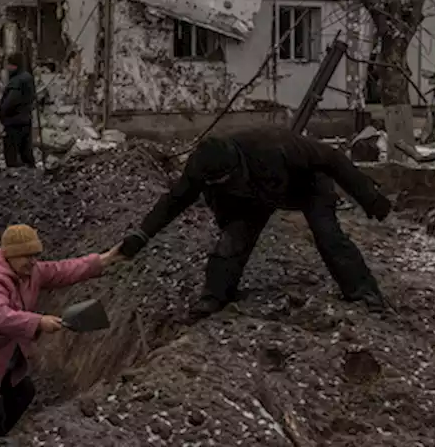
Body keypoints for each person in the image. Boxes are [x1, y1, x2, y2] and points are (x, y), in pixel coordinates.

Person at [116, 126, 393, 318]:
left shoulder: (275, 146)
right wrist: (142, 234)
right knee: (232, 239)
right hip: (252, 198)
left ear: (236, 166)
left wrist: (368, 197)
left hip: (307, 186)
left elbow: (333, 159)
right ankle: (215, 296)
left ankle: (363, 293)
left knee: (328, 235)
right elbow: (174, 201)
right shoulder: (200, 168)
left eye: (225, 180)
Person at [0, 225, 123, 445]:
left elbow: (61, 270)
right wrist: (38, 321)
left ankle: (1, 439)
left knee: (22, 394)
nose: (32, 261)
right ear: (9, 255)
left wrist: (103, 260)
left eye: (35, 255)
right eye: (26, 256)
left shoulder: (29, 273)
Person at [0, 53, 36, 168]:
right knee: (26, 150)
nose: (7, 68)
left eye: (8, 65)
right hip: (25, 119)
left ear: (13, 65)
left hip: (14, 121)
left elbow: (11, 101)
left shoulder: (16, 81)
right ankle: (31, 173)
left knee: (12, 153)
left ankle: (14, 176)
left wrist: (2, 113)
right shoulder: (28, 78)